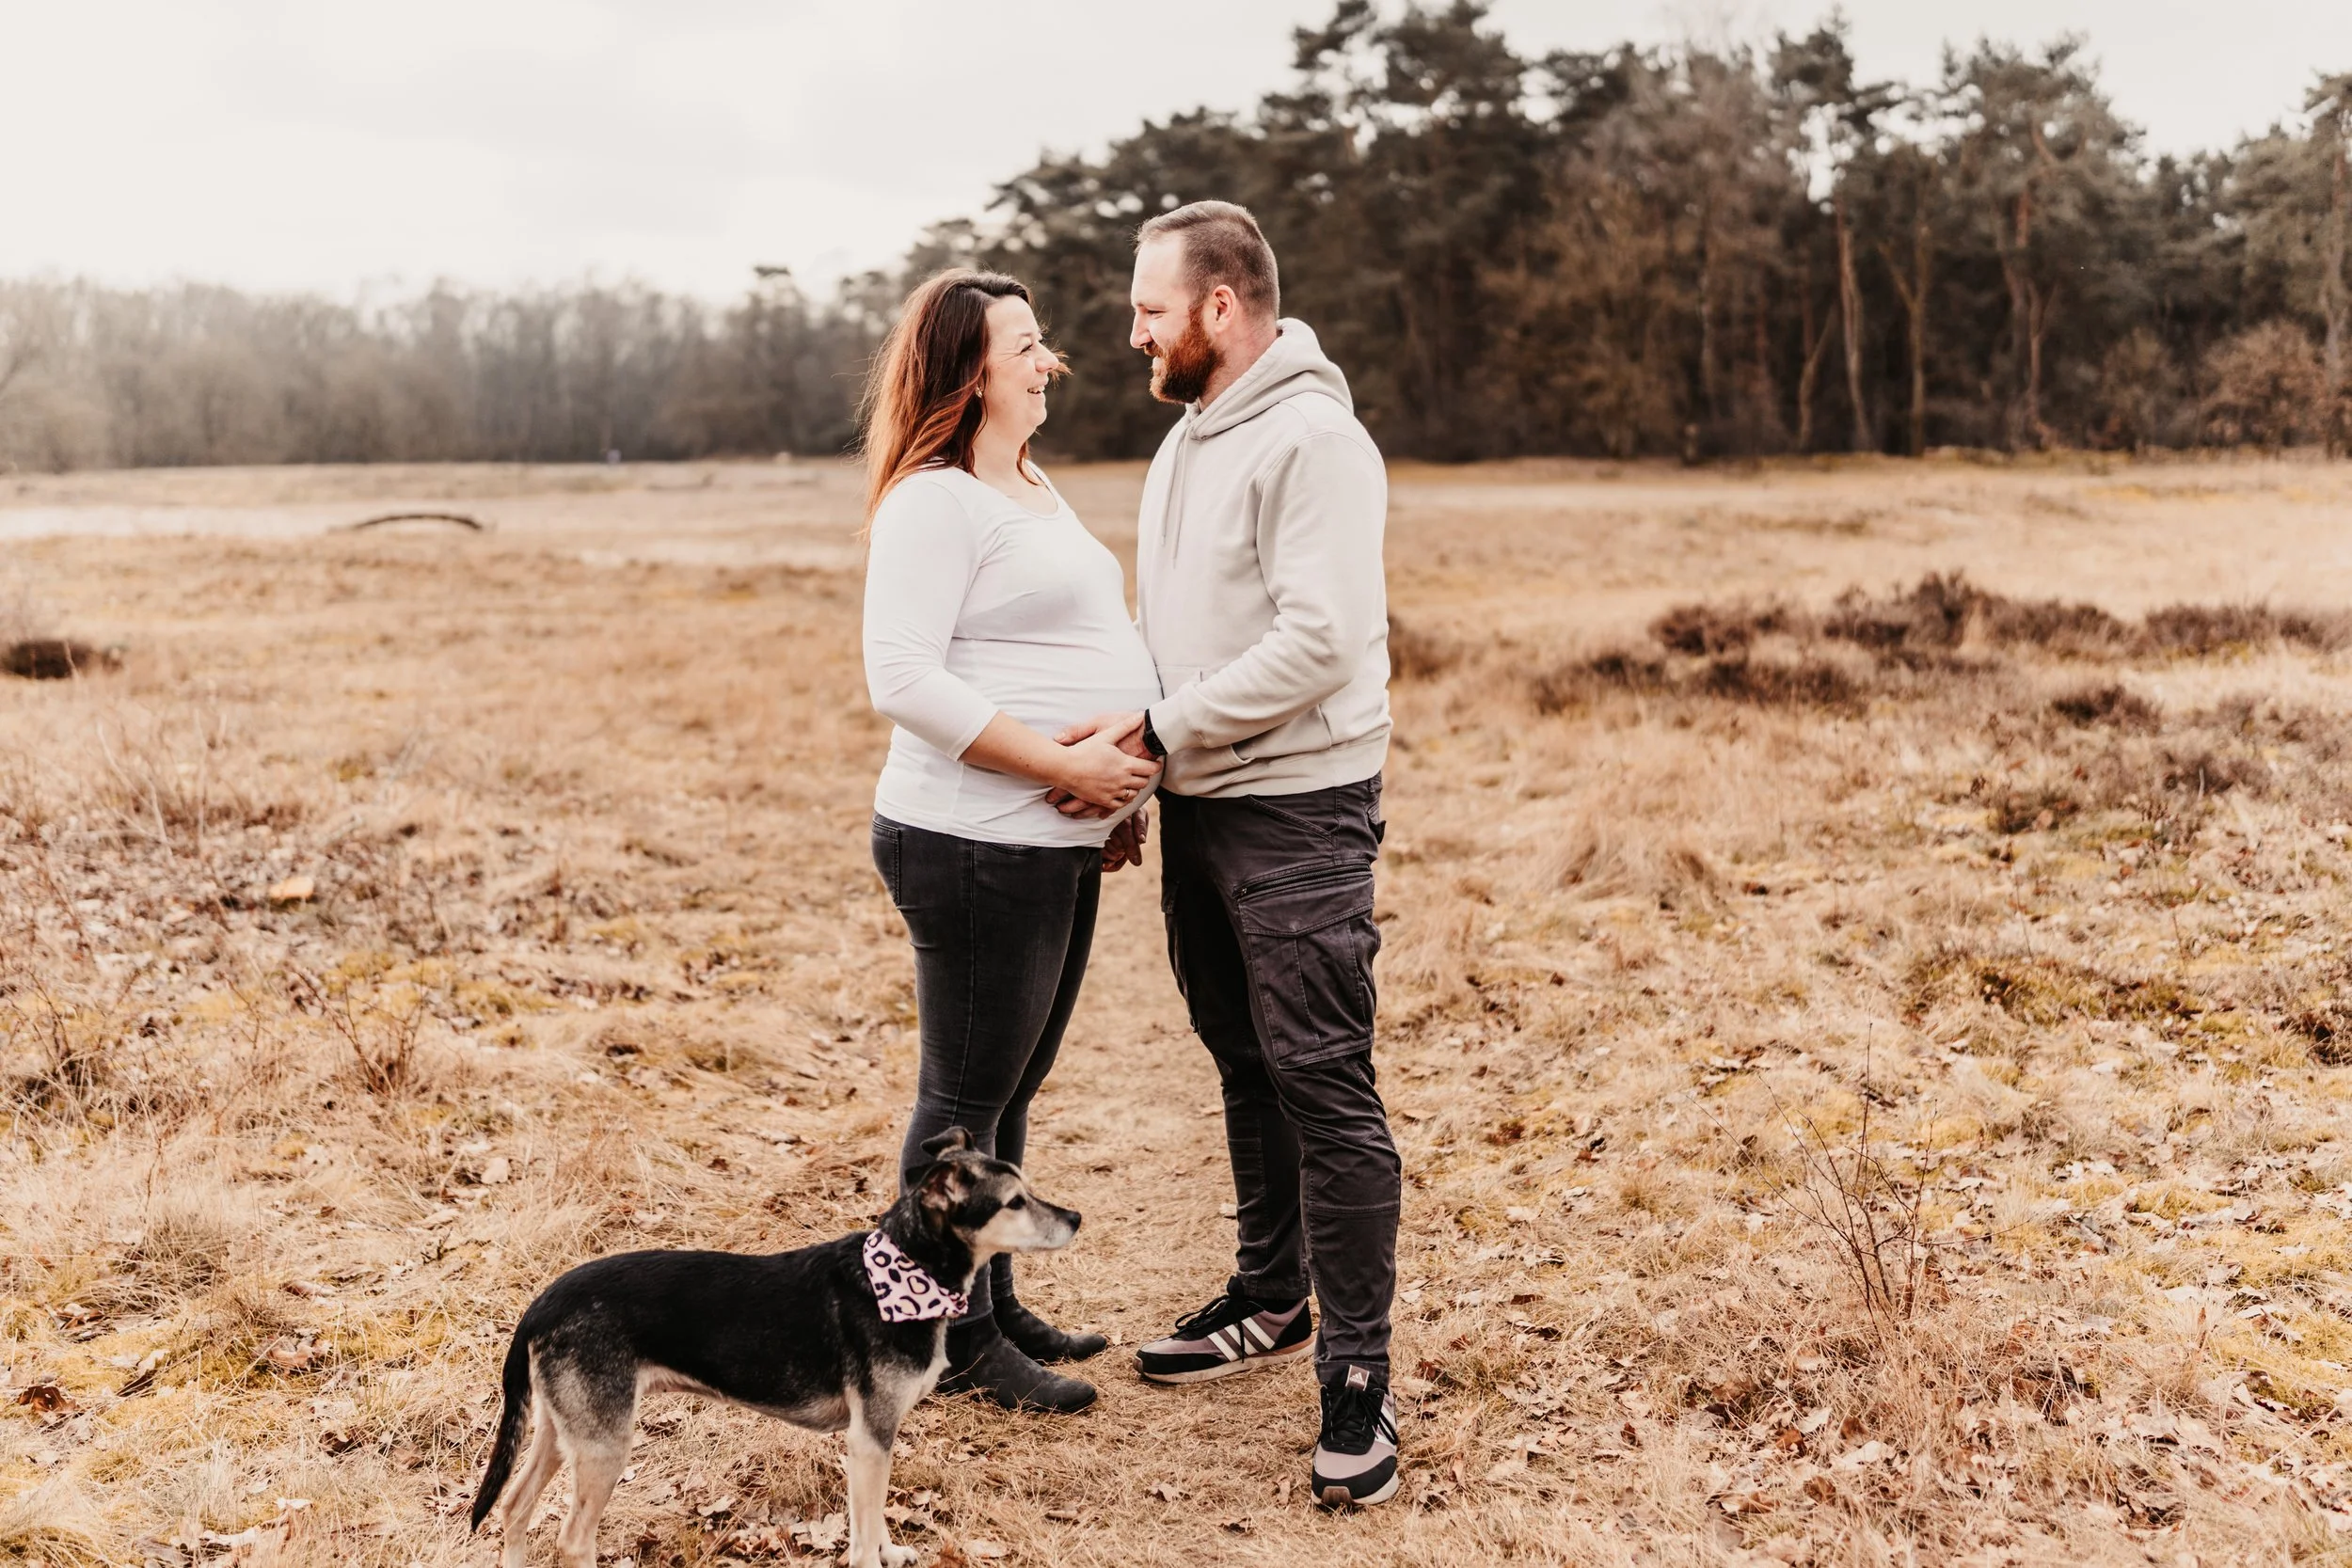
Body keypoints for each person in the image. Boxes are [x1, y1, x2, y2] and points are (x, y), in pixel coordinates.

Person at [1055, 201, 1404, 1506]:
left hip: (1301, 810)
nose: (1131, 330)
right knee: (1238, 1045)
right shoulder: (1188, 437)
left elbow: (1321, 641)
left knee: (1325, 1079)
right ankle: (1270, 1294)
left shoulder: (1316, 440)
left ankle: (1359, 1382)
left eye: (1150, 308)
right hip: (1206, 800)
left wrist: (1160, 727)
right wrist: (1151, 768)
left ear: (1219, 307)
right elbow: (1173, 631)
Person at [860, 268, 1163, 1413]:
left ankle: (988, 1301)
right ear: (968, 371)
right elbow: (901, 675)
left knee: (1011, 1080)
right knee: (959, 1107)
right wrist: (1067, 768)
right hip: (973, 839)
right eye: (1026, 345)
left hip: (1047, 844)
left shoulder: (1030, 484)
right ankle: (936, 1342)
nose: (1052, 362)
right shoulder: (934, 499)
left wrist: (1121, 789)